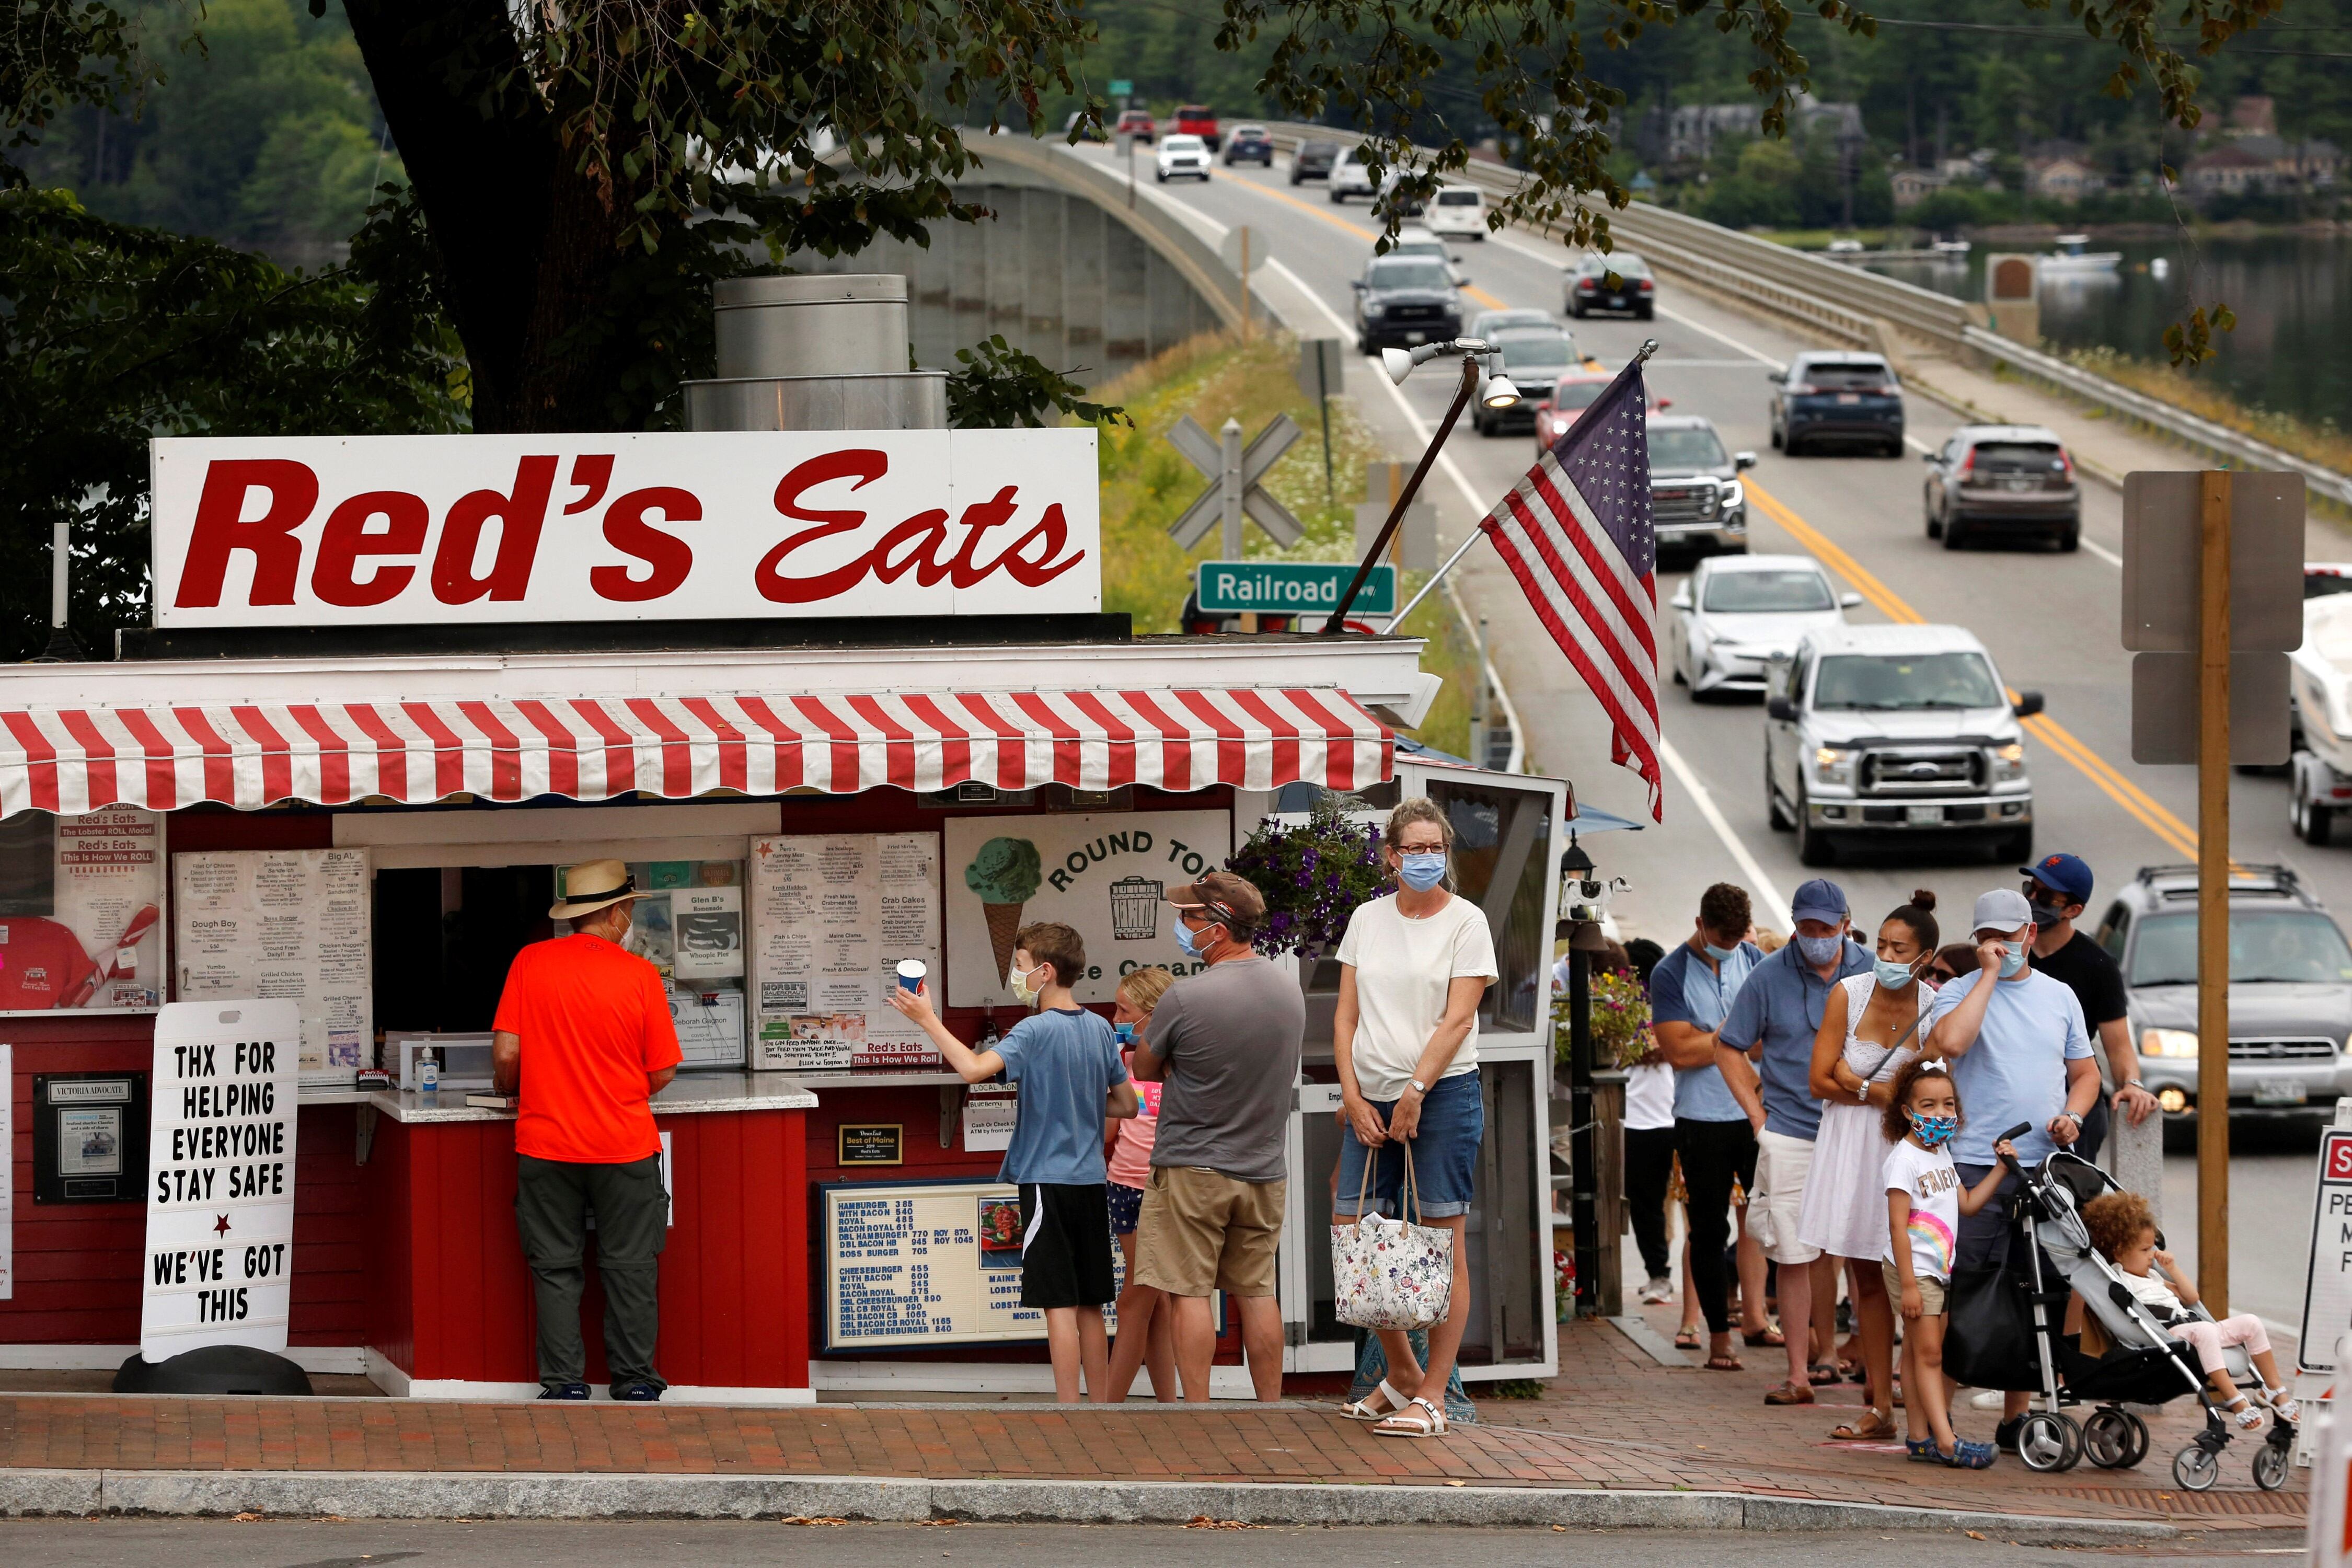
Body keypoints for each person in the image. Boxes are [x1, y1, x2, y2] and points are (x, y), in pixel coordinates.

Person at [889, 921, 1137, 1403]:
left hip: (1045, 1181)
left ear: (1045, 972)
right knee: (1091, 1303)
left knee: (1057, 1304)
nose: (1016, 977)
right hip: (1091, 1180)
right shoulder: (1101, 1028)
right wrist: (1081, 1102)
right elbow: (1127, 1106)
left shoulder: (1033, 1030)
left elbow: (974, 1070)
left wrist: (927, 1019)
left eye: (1020, 967)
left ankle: (1068, 1408)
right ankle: (1102, 1409)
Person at [1330, 797, 1498, 1439]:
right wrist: (1351, 1094)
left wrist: (1416, 1089)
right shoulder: (1367, 919)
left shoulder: (1467, 922)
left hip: (1445, 1094)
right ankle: (1400, 1371)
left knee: (1439, 1238)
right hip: (1369, 1093)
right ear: (1392, 855)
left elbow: (1459, 1018)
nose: (1427, 859)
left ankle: (1434, 1393)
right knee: (1353, 1231)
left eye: (1438, 848)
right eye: (1416, 848)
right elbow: (1345, 1016)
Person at [491, 859, 683, 1401]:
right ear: (616, 912)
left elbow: (507, 1053)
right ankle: (636, 1383)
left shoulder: (531, 962)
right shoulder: (640, 974)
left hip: (546, 1143)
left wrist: (520, 1086)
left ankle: (565, 1385)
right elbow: (663, 1069)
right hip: (624, 1144)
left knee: (555, 1268)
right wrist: (618, 1092)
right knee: (629, 1268)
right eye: (629, 909)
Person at [1922, 887, 2103, 1450]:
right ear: (1978, 940)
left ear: (2031, 934)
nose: (2003, 946)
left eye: (2012, 935)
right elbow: (1945, 1046)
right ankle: (1941, 1419)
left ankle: (2017, 1417)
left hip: (2043, 1165)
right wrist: (1983, 978)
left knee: (2037, 1289)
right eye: (1989, 937)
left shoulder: (2060, 996)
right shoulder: (1956, 991)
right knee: (1966, 1286)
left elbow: (2086, 1074)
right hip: (1976, 1161)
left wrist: (2072, 1116)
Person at [1129, 870, 1304, 1403]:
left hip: (1192, 1169)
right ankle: (1270, 1409)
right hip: (1263, 1169)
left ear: (1220, 927)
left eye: (1190, 918)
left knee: (1188, 1294)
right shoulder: (1288, 991)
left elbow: (1145, 1068)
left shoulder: (1186, 998)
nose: (1182, 927)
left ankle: (1199, 1415)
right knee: (1257, 1292)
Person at [1719, 878, 1873, 1404]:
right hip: (1790, 1131)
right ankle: (1799, 1375)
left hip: (1857, 1130)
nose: (1815, 938)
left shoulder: (1872, 970)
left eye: (1825, 929)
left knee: (1868, 1251)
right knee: (1793, 1253)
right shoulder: (1767, 975)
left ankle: (1878, 1375)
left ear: (1845, 926)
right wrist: (1759, 1118)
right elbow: (1729, 1046)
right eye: (1806, 928)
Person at [1796, 890, 1940, 1442]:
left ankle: (1922, 1404)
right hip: (1851, 1146)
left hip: (1906, 1152)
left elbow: (1933, 1094)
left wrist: (1852, 1081)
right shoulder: (1848, 994)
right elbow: (1817, 1080)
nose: (1885, 954)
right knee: (1866, 1278)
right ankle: (1882, 1405)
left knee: (1915, 1278)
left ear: (1924, 957)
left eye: (1898, 947)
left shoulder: (1934, 1007)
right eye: (1880, 943)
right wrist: (1872, 1090)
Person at [1650, 882, 1773, 1370]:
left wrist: (1712, 1039)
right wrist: (1736, 1035)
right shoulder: (1671, 971)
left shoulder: (1756, 962)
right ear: (1700, 925)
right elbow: (1678, 1052)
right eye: (1720, 936)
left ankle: (1758, 1317)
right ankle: (1718, 1336)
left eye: (1737, 936)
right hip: (1701, 1117)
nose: (1730, 944)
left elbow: (1771, 1041)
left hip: (1757, 1113)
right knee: (1707, 1228)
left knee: (1768, 1224)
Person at [1883, 1056, 2017, 1469]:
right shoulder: (1904, 1161)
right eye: (1928, 1105)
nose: (1941, 1113)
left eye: (1948, 1104)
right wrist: (1908, 1285)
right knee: (1930, 1357)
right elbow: (1896, 1228)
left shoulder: (1941, 1151)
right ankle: (1946, 1442)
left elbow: (1969, 1204)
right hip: (1915, 1271)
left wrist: (2000, 1168)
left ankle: (1919, 1438)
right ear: (1907, 1112)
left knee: (1918, 1354)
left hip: (1938, 1271)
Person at [2082, 1190, 2300, 1427]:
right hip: (2166, 1335)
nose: (2152, 1257)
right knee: (2205, 1332)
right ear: (2119, 1252)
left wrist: (2173, 1270)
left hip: (2191, 1327)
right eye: (2144, 1251)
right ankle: (2234, 1399)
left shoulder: (2153, 1276)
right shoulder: (2118, 1279)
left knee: (2251, 1323)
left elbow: (2190, 1297)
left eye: (2152, 1249)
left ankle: (2274, 1390)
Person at [2021, 854, 2159, 1163]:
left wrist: (2133, 1085)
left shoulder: (2097, 965)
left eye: (2044, 896)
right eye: (2029, 888)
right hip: (2015, 1099)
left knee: (2068, 1202)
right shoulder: (2009, 952)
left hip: (2075, 1106)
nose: (2031, 899)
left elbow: (2119, 1044)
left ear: (2073, 910)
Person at [1101, 966, 1179, 1403]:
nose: (1116, 1019)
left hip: (1167, 1187)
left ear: (1153, 1015)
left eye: (1124, 1010)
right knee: (1152, 1299)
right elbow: (1109, 1137)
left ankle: (1108, 1406)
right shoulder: (1126, 1063)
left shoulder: (1183, 1067)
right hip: (1126, 1186)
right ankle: (1169, 1405)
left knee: (1138, 1298)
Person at [1618, 937, 1676, 1304]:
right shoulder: (1619, 1009)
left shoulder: (1671, 1008)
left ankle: (1661, 1275)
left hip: (1665, 1117)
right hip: (1640, 1120)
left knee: (1651, 1205)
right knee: (1647, 1204)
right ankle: (1658, 1274)